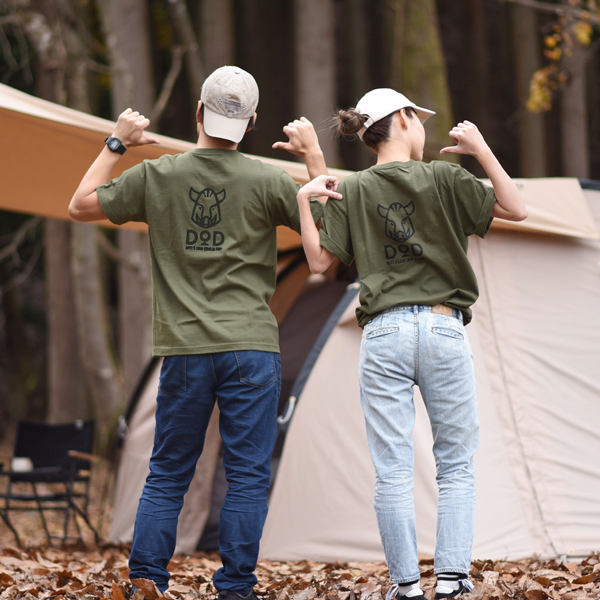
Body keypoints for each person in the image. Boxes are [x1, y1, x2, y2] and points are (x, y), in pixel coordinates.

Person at [69, 65, 339, 600]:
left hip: (186, 351)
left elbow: (80, 205)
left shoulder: (159, 175)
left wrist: (117, 142)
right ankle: (235, 588)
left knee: (168, 472)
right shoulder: (269, 181)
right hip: (253, 350)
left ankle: (148, 582)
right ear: (254, 123)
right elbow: (326, 251)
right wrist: (313, 157)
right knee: (246, 476)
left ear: (197, 112)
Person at [293, 89, 527, 600]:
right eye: (418, 119)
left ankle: (405, 587)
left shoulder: (352, 190)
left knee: (393, 469)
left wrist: (301, 202)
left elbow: (317, 266)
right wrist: (481, 148)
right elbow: (518, 208)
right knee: (456, 466)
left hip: (383, 332)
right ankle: (451, 582)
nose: (423, 128)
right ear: (402, 119)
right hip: (444, 328)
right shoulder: (446, 178)